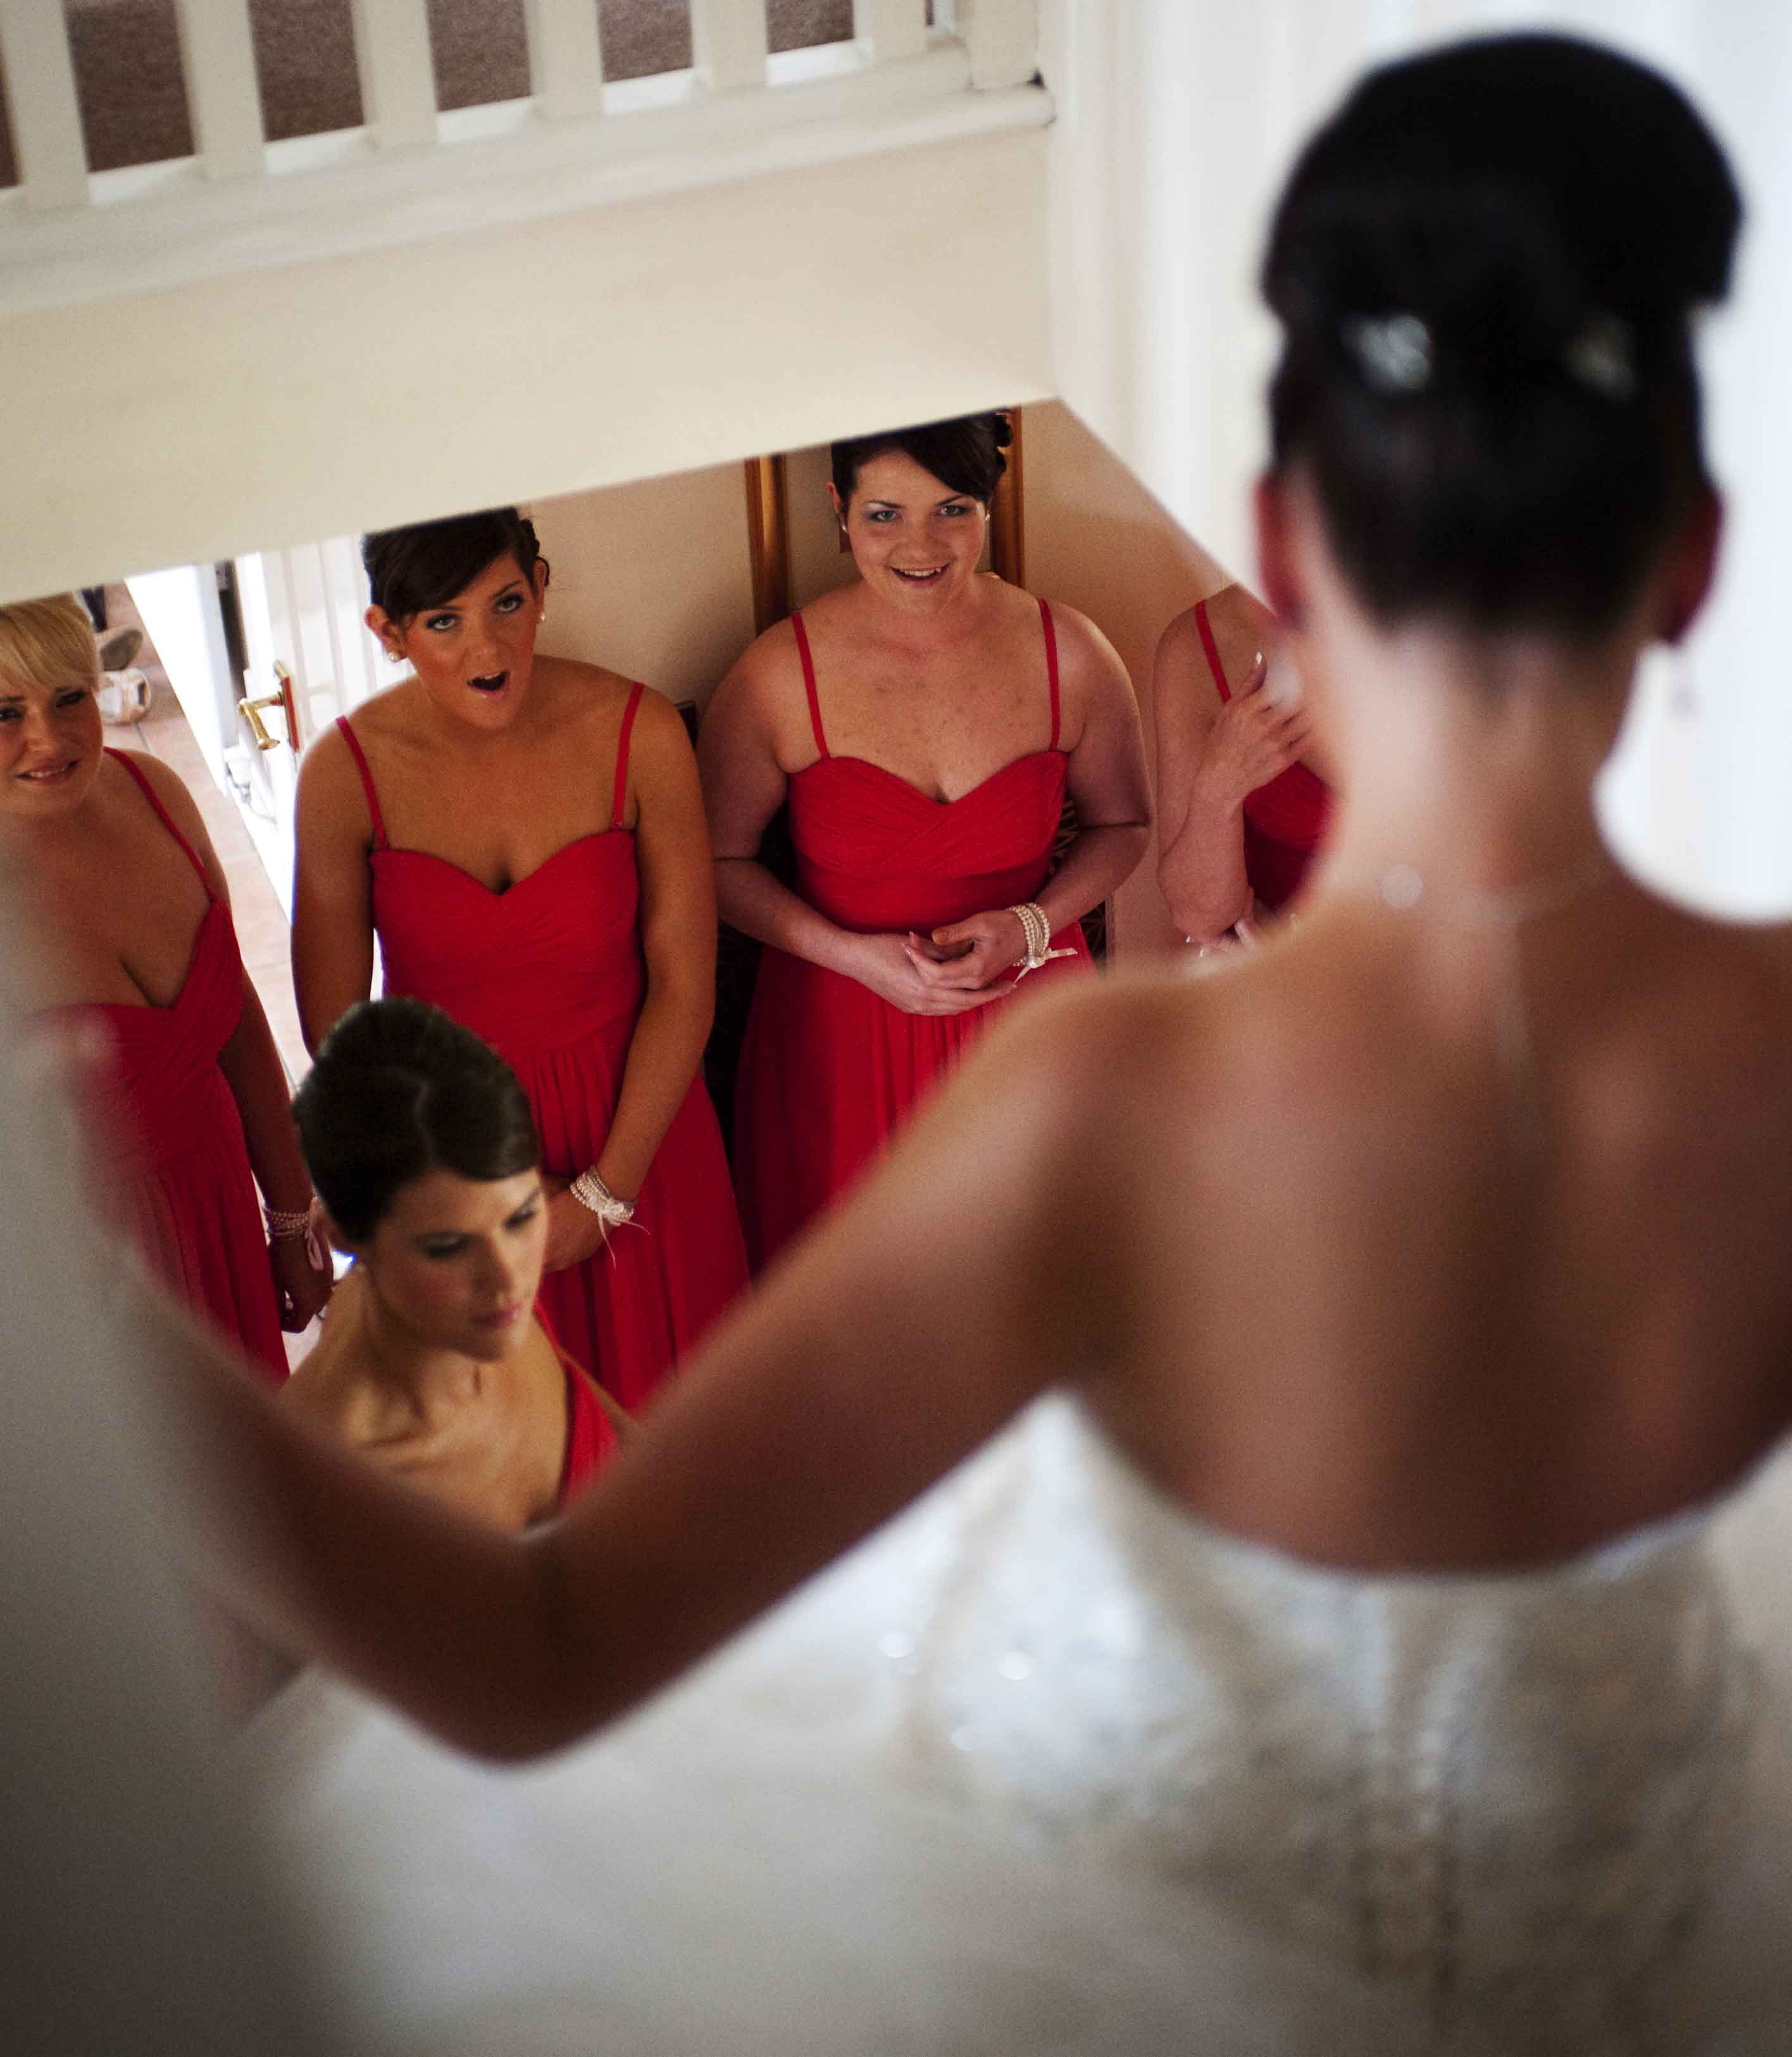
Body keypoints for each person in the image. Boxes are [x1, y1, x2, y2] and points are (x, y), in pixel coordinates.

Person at [144, 32, 1792, 2052]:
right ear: (1696, 560)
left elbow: (539, 1655)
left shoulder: (1111, 1098)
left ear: (1278, 551)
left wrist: (98, 1343)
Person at [291, 509, 747, 1411]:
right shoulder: (344, 772)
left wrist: (605, 1195)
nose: (488, 648)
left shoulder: (641, 730)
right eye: (444, 621)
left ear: (540, 588)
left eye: (506, 602)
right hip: (449, 1159)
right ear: (388, 632)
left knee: (681, 1434)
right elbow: (338, 1031)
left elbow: (686, 983)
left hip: (642, 1134)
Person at [700, 412, 1151, 1268]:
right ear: (838, 508)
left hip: (1027, 1019)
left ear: (989, 504)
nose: (921, 545)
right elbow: (718, 864)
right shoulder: (777, 674)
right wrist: (850, 956)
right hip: (838, 1033)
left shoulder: (1070, 651)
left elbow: (1125, 825)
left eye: (952, 508)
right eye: (884, 514)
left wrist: (1029, 925)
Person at [1, 594, 329, 1376]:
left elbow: (235, 1015)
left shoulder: (153, 790)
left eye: (70, 697)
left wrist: (291, 1217)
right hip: (84, 1291)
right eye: (5, 713)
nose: (49, 738)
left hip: (218, 1211)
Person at [283, 999, 620, 1529]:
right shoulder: (340, 1490)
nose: (509, 1279)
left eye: (521, 1216)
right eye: (447, 1247)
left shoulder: (477, 1318)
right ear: (347, 1237)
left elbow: (595, 1421)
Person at [1152, 578, 1333, 942]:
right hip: (1282, 962)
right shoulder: (1200, 644)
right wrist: (1218, 790)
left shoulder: (1451, 625)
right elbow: (1196, 918)